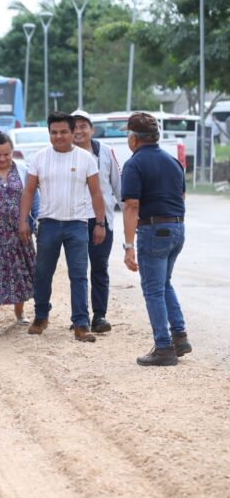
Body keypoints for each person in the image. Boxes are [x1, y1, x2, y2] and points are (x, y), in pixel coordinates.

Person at [18, 112, 106, 342]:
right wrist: (23, 220)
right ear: (49, 133)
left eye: (63, 132)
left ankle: (80, 323)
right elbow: (28, 191)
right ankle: (41, 316)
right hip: (48, 224)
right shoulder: (39, 158)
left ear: (72, 132)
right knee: (43, 273)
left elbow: (97, 192)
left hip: (78, 224)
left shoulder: (86, 158)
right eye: (54, 132)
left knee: (79, 275)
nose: (59, 136)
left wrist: (99, 223)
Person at [120, 113, 190, 366]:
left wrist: (128, 246)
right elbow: (181, 197)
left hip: (153, 230)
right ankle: (179, 336)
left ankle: (163, 346)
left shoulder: (134, 164)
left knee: (152, 290)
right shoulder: (173, 162)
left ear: (134, 138)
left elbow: (131, 205)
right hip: (177, 228)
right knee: (164, 284)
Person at [0, 131, 38, 338]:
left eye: (6, 154)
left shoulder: (23, 170)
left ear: (12, 153)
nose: (2, 159)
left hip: (19, 233)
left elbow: (34, 198)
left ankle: (19, 313)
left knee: (19, 275)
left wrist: (35, 223)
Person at [72, 109, 123, 332]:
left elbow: (118, 187)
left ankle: (99, 316)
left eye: (83, 126)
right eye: (74, 127)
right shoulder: (65, 154)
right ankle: (79, 318)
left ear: (92, 129)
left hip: (102, 220)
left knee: (99, 267)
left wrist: (134, 217)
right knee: (78, 270)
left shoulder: (106, 152)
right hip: (75, 220)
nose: (78, 131)